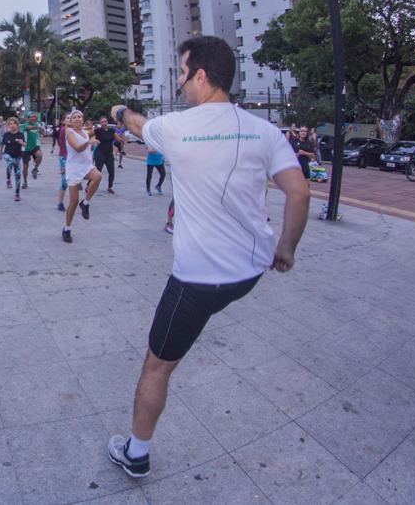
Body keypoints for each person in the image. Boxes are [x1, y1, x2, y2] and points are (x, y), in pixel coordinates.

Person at [105, 36, 309, 478]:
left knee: (157, 366)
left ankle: (135, 454)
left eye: (181, 74)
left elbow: (139, 126)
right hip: (250, 272)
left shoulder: (177, 127)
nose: (180, 84)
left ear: (201, 75)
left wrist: (120, 112)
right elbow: (299, 191)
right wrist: (286, 249)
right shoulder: (265, 130)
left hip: (198, 282)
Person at [61, 111, 102, 243]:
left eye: (79, 117)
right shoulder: (69, 133)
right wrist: (89, 142)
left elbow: (91, 132)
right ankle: (67, 229)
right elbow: (78, 148)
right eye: (74, 117)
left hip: (87, 167)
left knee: (98, 176)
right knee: (73, 202)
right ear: (71, 121)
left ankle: (85, 203)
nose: (77, 119)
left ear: (83, 119)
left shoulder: (84, 132)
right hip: (74, 169)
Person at [0, 118, 25, 201]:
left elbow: (25, 144)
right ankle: (8, 179)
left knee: (18, 175)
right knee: (10, 161)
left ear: (17, 125)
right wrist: (0, 153)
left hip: (17, 156)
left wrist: (22, 143)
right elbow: (2, 144)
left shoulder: (20, 134)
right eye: (10, 124)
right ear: (9, 125)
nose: (12, 125)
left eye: (14, 123)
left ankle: (17, 193)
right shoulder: (7, 134)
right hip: (7, 154)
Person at [93, 116, 117, 195]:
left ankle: (110, 187)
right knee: (98, 170)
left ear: (107, 122)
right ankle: (89, 185)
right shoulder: (98, 131)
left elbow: (118, 139)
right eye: (102, 122)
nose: (104, 123)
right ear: (100, 123)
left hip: (109, 153)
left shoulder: (111, 131)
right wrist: (91, 141)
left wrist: (123, 139)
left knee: (111, 171)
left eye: (105, 121)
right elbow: (87, 135)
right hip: (100, 153)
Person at [19, 111, 44, 188]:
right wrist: (37, 127)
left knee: (40, 155)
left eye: (34, 117)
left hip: (34, 146)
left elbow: (41, 132)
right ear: (28, 118)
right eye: (31, 117)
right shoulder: (25, 125)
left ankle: (35, 169)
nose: (33, 118)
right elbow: (28, 128)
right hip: (26, 147)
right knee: (25, 166)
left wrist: (41, 131)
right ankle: (25, 181)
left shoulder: (37, 124)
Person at [55, 113, 71, 212]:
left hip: (72, 157)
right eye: (68, 118)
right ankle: (60, 203)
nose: (70, 120)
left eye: (71, 118)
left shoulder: (74, 130)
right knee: (64, 182)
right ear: (64, 121)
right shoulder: (64, 129)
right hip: (64, 156)